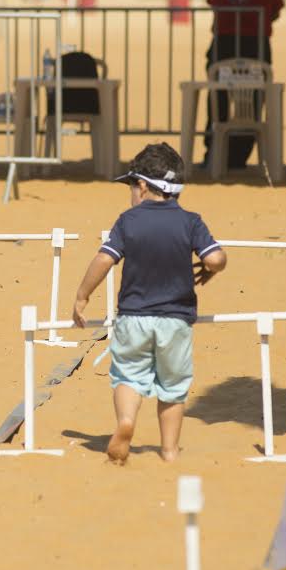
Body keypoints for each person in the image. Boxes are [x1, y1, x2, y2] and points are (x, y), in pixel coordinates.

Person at [71, 143, 227, 463]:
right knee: (173, 386)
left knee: (128, 376)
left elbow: (104, 260)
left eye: (130, 185)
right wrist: (211, 269)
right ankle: (169, 450)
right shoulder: (191, 222)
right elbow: (216, 257)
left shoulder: (128, 221)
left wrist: (82, 295)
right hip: (175, 320)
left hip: (133, 318)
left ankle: (126, 421)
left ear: (142, 185)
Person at [203, 0, 284, 169]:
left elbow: (213, 3)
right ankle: (239, 155)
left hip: (223, 46)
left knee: (217, 97)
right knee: (253, 99)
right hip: (255, 46)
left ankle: (213, 152)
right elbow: (275, 11)